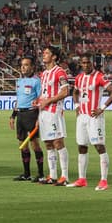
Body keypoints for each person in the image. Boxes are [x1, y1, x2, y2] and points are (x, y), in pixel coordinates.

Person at [72, 56, 112, 190]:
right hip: (82, 117)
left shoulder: (99, 76)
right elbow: (75, 92)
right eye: (83, 63)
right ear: (80, 64)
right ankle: (82, 179)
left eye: (88, 63)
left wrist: (102, 108)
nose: (85, 65)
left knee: (99, 146)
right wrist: (76, 105)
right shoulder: (79, 78)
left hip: (94, 117)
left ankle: (104, 180)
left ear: (92, 63)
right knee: (82, 146)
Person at [35, 46, 72, 185]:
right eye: (43, 53)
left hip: (54, 111)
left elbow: (65, 92)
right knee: (48, 144)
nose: (43, 55)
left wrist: (48, 101)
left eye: (46, 53)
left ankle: (65, 176)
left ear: (54, 56)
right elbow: (44, 94)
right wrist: (38, 101)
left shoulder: (60, 72)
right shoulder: (44, 73)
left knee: (58, 142)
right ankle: (52, 176)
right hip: (43, 112)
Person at [10, 57, 45, 181]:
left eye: (26, 65)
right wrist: (13, 116)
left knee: (35, 145)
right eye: (22, 65)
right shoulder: (19, 81)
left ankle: (41, 174)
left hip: (32, 114)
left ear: (32, 67)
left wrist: (39, 118)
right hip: (21, 114)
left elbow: (41, 99)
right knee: (22, 145)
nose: (23, 67)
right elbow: (18, 100)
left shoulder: (37, 81)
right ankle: (26, 173)